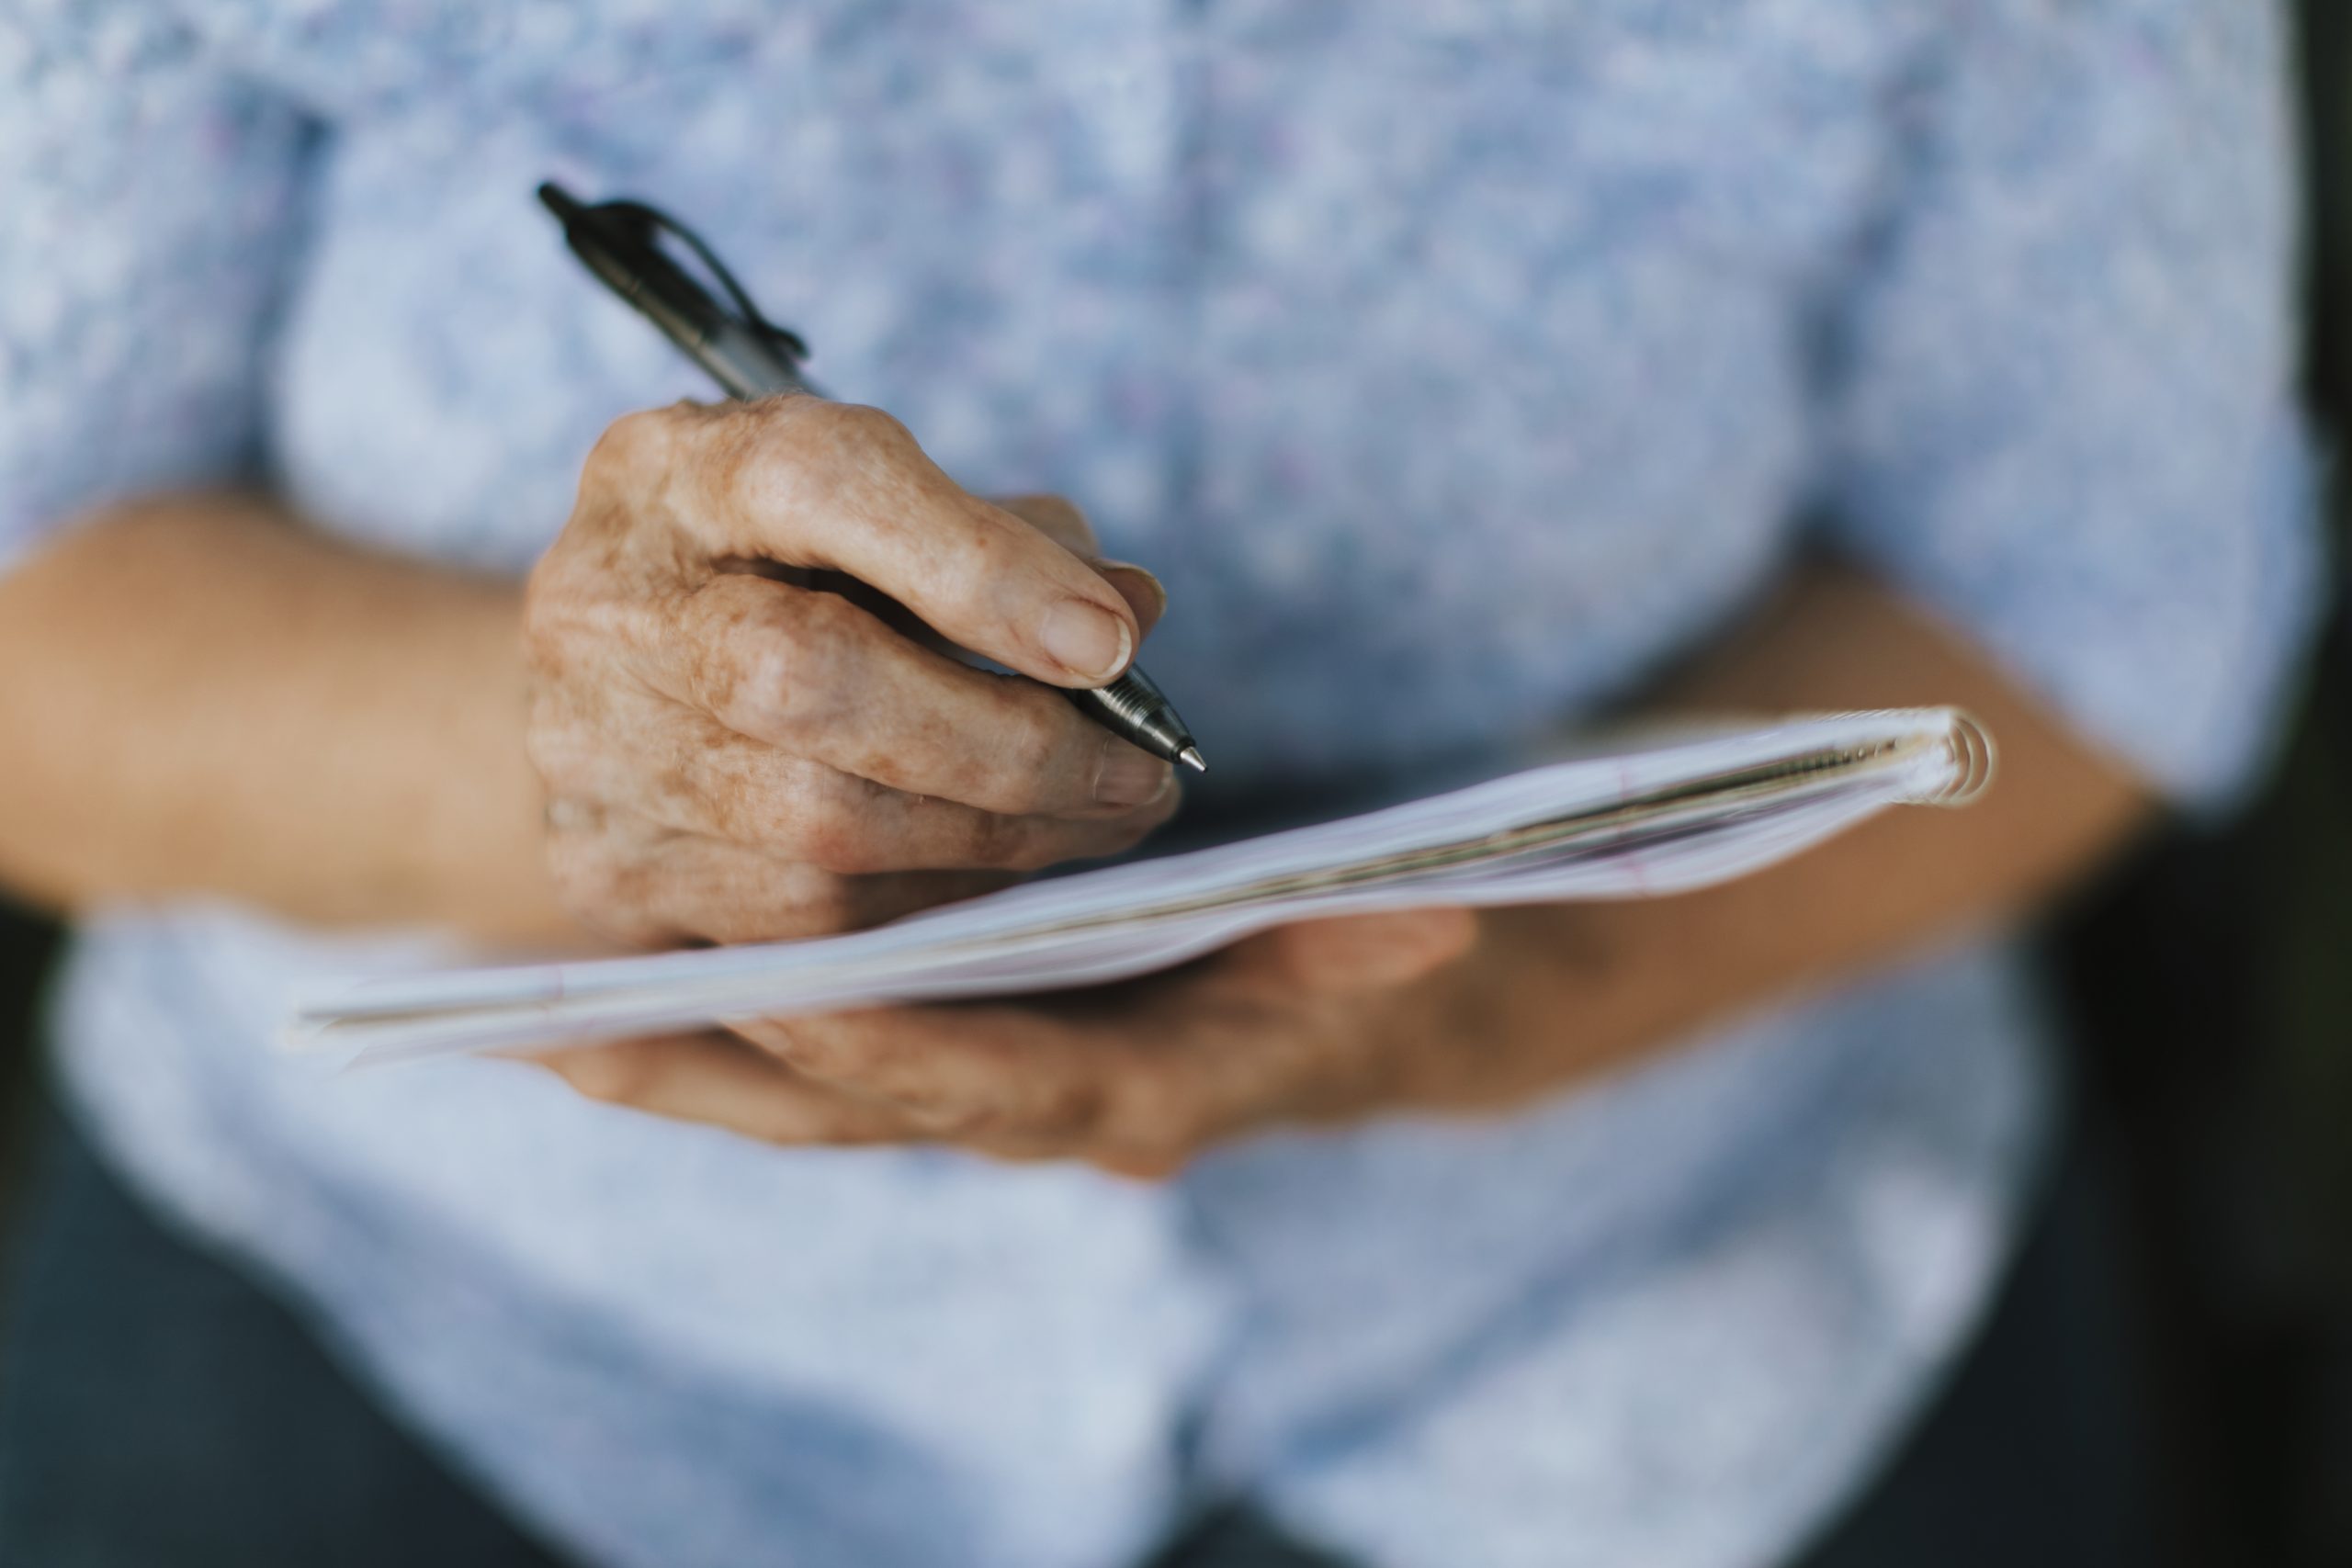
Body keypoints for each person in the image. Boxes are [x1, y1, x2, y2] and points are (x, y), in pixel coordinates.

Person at [0, 3, 2318, 1565]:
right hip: (454, 1323)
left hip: (1656, 1328)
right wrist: (621, 757)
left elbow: (2084, 598)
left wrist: (1490, 1004)